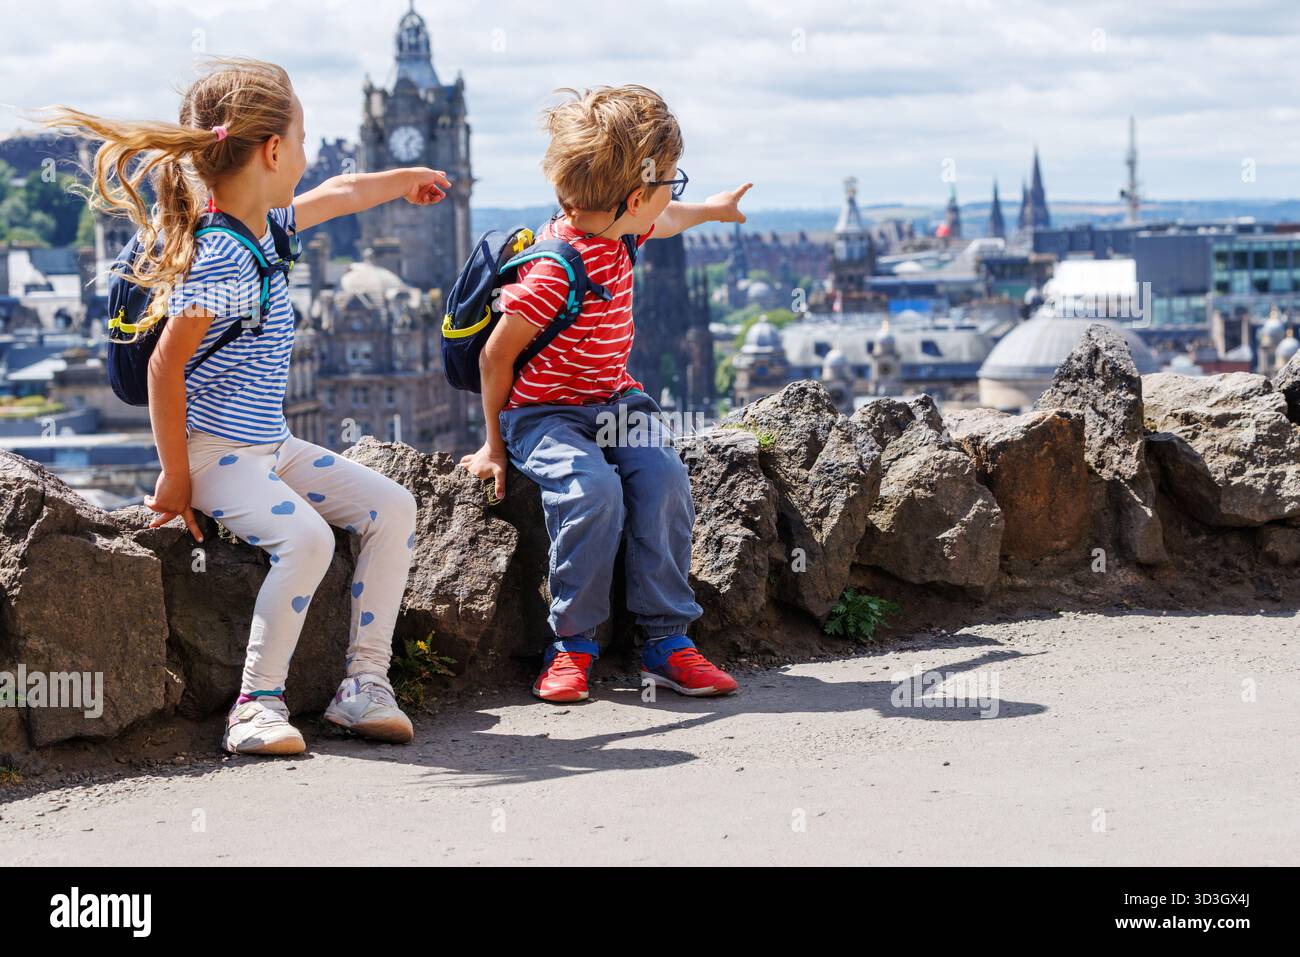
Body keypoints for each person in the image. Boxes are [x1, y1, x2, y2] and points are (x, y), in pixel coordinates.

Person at [47, 58, 449, 755]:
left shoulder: (268, 228)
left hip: (267, 446)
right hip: (212, 454)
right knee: (310, 538)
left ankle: (364, 684)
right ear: (271, 152)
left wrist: (404, 182)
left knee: (394, 506)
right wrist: (175, 475)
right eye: (300, 139)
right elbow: (167, 365)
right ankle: (256, 704)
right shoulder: (223, 256)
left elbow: (344, 191)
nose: (306, 154)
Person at [460, 84, 751, 702]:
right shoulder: (553, 270)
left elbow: (667, 220)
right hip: (546, 415)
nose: (674, 192)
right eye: (672, 181)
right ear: (636, 196)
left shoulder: (622, 230)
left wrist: (712, 209)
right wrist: (493, 444)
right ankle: (572, 643)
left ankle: (667, 639)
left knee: (665, 477)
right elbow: (495, 354)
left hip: (617, 402)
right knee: (592, 492)